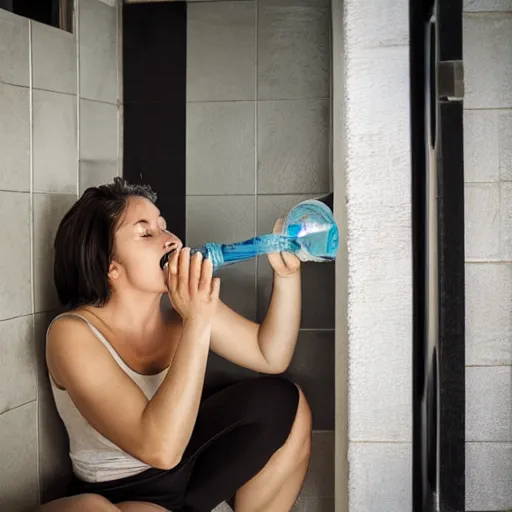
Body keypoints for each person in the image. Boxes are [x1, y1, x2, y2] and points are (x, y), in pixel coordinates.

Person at [38, 178, 312, 512]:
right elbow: (160, 450)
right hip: (121, 490)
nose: (171, 240)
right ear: (111, 267)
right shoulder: (72, 334)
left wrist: (286, 277)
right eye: (146, 233)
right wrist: (198, 321)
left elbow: (270, 354)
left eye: (164, 227)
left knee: (284, 403)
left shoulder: (180, 308)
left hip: (185, 472)